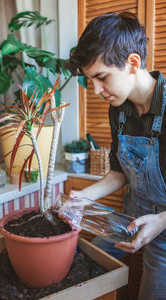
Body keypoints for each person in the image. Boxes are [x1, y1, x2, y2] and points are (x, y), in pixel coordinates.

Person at [67, 11, 166, 300]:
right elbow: (118, 173)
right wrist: (83, 198)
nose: (96, 90)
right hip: (130, 216)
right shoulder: (119, 108)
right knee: (86, 257)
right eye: (91, 80)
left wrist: (160, 222)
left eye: (102, 78)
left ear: (132, 63)